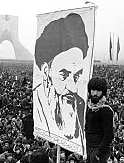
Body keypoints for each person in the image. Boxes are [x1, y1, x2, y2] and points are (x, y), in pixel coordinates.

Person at [33, 13, 89, 141]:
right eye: (64, 75)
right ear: (46, 71)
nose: (73, 88)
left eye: (76, 76)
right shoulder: (36, 108)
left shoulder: (81, 105)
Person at [85, 77, 114, 163]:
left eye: (98, 91)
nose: (95, 94)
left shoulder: (105, 110)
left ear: (103, 92)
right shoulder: (89, 106)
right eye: (93, 90)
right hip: (88, 147)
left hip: (98, 150)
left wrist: (98, 154)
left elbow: (109, 135)